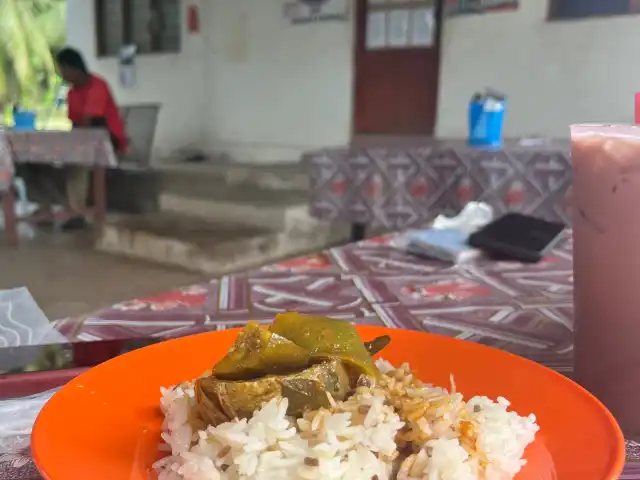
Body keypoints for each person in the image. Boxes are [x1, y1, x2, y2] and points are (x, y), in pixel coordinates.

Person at [20, 46, 127, 230]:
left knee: (76, 163)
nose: (62, 74)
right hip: (83, 139)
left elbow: (90, 120)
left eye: (63, 69)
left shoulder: (97, 86)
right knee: (31, 163)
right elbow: (75, 123)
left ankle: (77, 212)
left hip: (107, 140)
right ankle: (48, 208)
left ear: (74, 68)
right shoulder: (72, 92)